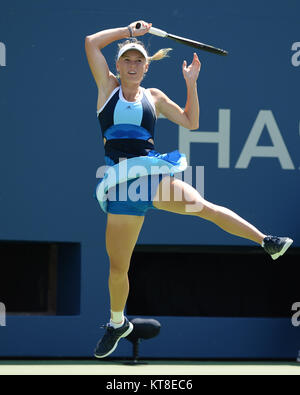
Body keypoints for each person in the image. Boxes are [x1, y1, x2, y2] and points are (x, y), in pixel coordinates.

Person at [84, 20, 293, 359]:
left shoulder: (154, 97)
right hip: (120, 186)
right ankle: (117, 323)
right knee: (118, 267)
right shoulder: (107, 88)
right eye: (127, 60)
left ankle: (265, 241)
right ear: (118, 66)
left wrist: (191, 84)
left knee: (205, 207)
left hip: (152, 175)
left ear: (146, 67)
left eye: (139, 61)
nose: (133, 65)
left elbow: (190, 122)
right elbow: (91, 42)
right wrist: (129, 31)